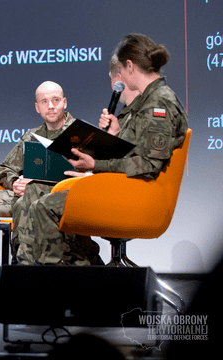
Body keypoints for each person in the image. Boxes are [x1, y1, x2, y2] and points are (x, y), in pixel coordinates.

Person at [15, 33, 188, 266]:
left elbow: (147, 165)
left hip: (137, 196)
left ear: (129, 66)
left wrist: (95, 166)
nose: (121, 78)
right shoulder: (150, 100)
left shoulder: (157, 102)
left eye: (122, 72)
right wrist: (113, 137)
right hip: (127, 188)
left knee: (46, 206)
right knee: (45, 200)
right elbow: (135, 153)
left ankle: (58, 286)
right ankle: (72, 277)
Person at [0, 81, 93, 306]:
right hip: (26, 194)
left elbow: (95, 173)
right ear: (37, 107)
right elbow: (4, 169)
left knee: (26, 201)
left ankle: (21, 273)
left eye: (56, 100)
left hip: (63, 198)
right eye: (44, 102)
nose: (51, 106)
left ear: (64, 103)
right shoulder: (32, 136)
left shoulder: (81, 133)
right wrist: (14, 182)